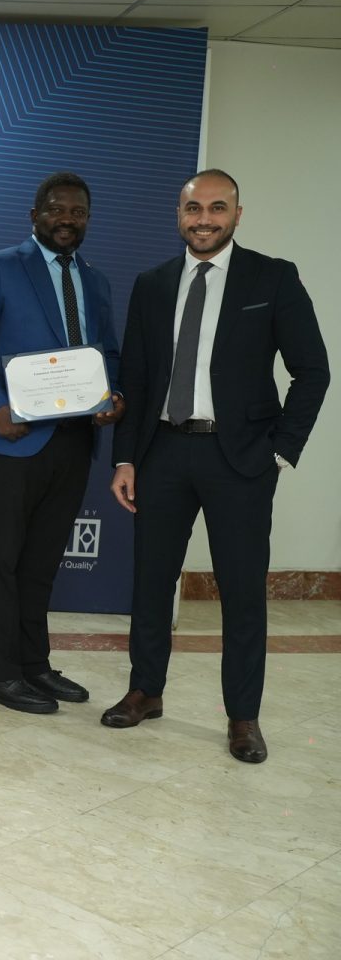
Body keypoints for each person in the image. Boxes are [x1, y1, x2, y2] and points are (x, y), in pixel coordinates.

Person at [102, 169, 329, 763]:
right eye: (193, 208)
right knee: (152, 581)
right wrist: (125, 456)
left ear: (237, 214)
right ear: (179, 215)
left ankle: (243, 716)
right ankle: (145, 690)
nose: (204, 219)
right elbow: (136, 379)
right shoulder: (152, 283)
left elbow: (313, 370)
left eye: (217, 208)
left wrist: (281, 449)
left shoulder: (272, 277)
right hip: (162, 452)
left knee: (243, 590)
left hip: (241, 459)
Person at [0, 172, 125, 715]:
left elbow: (108, 353)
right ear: (34, 215)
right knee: (2, 560)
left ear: (88, 219)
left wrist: (113, 395)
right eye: (56, 209)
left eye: (78, 211)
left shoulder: (96, 281)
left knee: (43, 560)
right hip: (12, 436)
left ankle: (34, 664)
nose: (67, 219)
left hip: (74, 440)